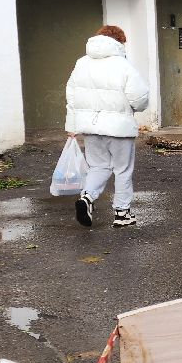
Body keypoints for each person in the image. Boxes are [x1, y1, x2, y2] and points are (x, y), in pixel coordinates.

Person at [65, 24, 150, 228]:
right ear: (119, 42)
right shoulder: (123, 65)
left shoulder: (81, 63)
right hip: (119, 129)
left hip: (90, 127)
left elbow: (72, 96)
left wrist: (72, 125)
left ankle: (86, 198)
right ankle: (122, 213)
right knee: (122, 170)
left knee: (98, 166)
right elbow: (139, 99)